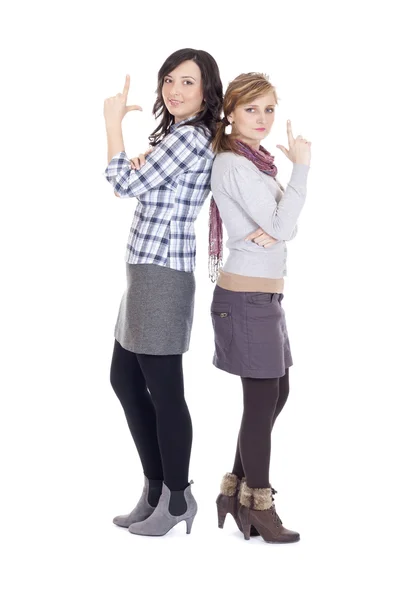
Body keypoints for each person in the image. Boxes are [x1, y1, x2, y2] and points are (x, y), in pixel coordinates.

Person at [103, 48, 223, 537]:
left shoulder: (190, 138)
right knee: (125, 380)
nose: (175, 91)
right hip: (145, 270)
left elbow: (121, 184)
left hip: (162, 274)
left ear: (206, 90)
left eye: (187, 82)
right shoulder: (176, 136)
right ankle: (155, 490)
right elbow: (137, 185)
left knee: (165, 391)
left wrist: (112, 123)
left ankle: (176, 498)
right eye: (169, 80)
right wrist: (140, 162)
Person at [208, 72, 311, 543]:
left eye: (269, 109)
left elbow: (279, 226)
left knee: (276, 394)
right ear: (230, 112)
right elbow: (283, 226)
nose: (263, 119)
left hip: (263, 295)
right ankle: (260, 505)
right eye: (251, 109)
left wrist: (278, 222)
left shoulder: (256, 164)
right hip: (247, 297)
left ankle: (234, 492)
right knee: (262, 400)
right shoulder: (234, 164)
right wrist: (302, 170)